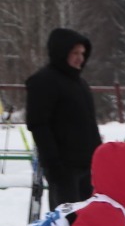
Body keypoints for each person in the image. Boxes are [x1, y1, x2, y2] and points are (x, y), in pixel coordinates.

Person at [24, 27, 102, 209]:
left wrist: (99, 157)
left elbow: (89, 124)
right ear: (61, 52)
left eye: (82, 53)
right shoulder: (43, 81)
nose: (80, 58)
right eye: (75, 53)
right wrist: (54, 166)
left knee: (89, 222)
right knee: (67, 225)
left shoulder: (80, 83)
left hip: (89, 166)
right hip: (64, 169)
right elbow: (38, 125)